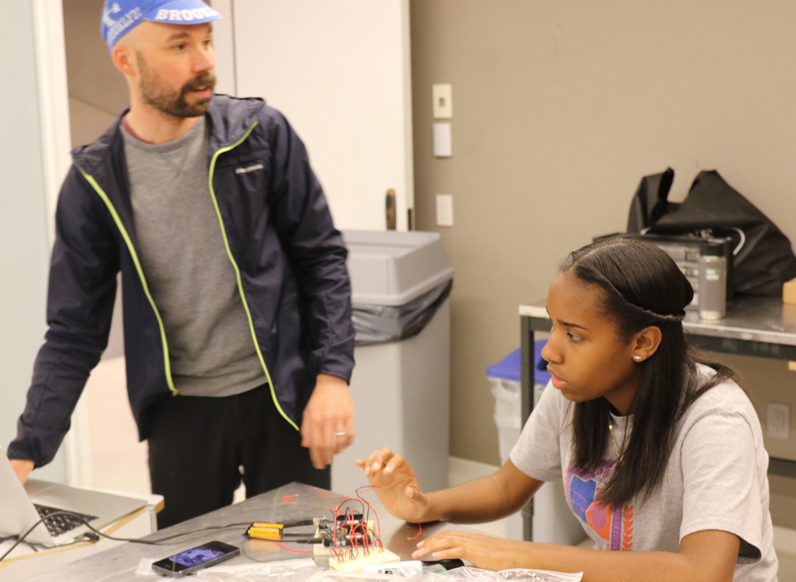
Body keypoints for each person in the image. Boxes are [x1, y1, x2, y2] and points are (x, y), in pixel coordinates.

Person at [9, 0, 356, 528]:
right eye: (179, 45)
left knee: (300, 554)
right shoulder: (95, 182)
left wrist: (332, 376)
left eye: (206, 42)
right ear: (125, 60)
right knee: (188, 560)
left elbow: (320, 257)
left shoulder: (259, 134)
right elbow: (74, 329)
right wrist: (26, 449)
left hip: (281, 396)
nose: (203, 62)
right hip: (180, 412)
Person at [357, 237, 777, 581]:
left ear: (642, 343)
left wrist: (514, 555)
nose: (550, 351)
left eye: (574, 336)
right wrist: (425, 505)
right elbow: (506, 487)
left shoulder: (715, 418)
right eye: (553, 324)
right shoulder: (572, 393)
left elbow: (701, 573)